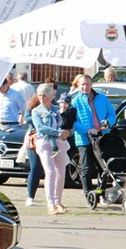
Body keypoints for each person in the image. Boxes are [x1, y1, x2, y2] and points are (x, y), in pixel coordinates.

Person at [71, 73, 116, 200]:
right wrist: (87, 130)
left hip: (101, 137)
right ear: (78, 85)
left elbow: (112, 115)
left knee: (103, 167)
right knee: (86, 167)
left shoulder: (102, 98)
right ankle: (89, 196)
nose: (85, 87)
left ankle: (101, 193)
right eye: (82, 84)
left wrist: (108, 123)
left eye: (87, 84)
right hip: (84, 139)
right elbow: (73, 122)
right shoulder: (75, 101)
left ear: (91, 85)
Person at [33, 83, 71, 215]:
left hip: (60, 143)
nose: (42, 98)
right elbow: (41, 128)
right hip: (45, 142)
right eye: (39, 95)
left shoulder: (58, 109)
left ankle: (58, 201)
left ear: (51, 96)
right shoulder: (36, 111)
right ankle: (50, 204)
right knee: (50, 172)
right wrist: (57, 132)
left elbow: (67, 123)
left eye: (44, 95)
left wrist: (67, 132)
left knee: (61, 172)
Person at [22, 95, 44, 208]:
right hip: (34, 138)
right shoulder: (32, 104)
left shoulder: (52, 104)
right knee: (35, 168)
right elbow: (26, 117)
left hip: (48, 138)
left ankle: (55, 199)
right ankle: (30, 196)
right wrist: (39, 116)